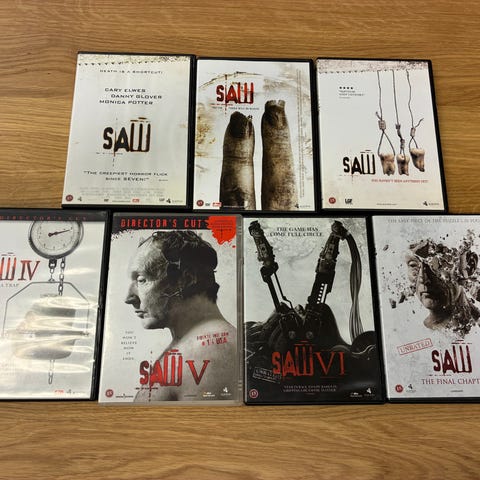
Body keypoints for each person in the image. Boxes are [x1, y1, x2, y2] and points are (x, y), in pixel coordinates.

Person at [125, 230, 236, 402]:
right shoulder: (198, 343)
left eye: (141, 280)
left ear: (186, 279)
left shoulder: (209, 352)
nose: (129, 298)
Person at [405, 238, 480, 335]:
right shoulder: (409, 330)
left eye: (437, 264)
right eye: (413, 265)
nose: (423, 278)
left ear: (469, 266)